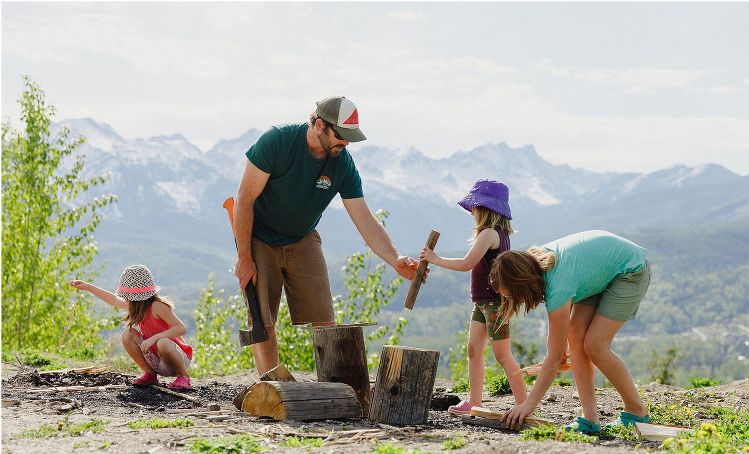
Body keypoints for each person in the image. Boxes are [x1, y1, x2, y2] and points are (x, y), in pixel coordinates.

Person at [233, 96, 419, 375]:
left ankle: (336, 385)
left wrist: (395, 259)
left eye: (349, 138)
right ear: (319, 124)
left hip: (303, 237)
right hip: (259, 236)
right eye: (340, 137)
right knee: (263, 317)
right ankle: (272, 386)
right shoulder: (277, 142)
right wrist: (245, 258)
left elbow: (365, 220)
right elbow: (244, 199)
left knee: (324, 318)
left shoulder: (342, 163)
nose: (345, 144)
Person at [490, 230, 652, 434]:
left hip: (630, 269)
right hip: (599, 274)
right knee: (576, 337)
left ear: (524, 284)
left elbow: (555, 356)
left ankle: (637, 411)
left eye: (515, 296)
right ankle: (589, 418)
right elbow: (559, 350)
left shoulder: (558, 287)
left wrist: (529, 404)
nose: (517, 302)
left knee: (595, 345)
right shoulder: (535, 261)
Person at [419, 179, 527, 415]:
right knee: (473, 350)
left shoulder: (489, 233)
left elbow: (467, 263)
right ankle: (475, 401)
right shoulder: (496, 233)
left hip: (495, 303)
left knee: (502, 355)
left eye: (475, 207)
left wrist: (435, 259)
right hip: (483, 302)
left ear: (484, 208)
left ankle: (524, 405)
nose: (472, 212)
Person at [69, 265, 193, 390]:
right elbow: (114, 300)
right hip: (157, 359)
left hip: (176, 358)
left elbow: (181, 328)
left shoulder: (157, 306)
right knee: (128, 334)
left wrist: (155, 338)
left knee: (163, 342)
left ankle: (184, 377)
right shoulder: (136, 307)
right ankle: (150, 374)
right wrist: (88, 287)